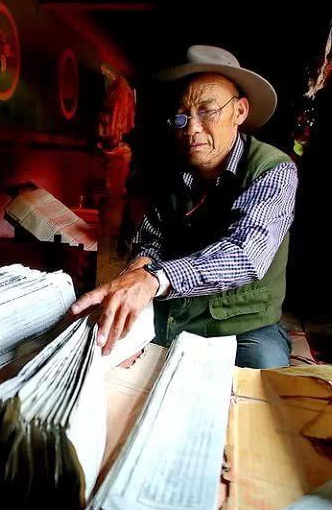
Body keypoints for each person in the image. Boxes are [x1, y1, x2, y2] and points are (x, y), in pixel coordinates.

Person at [70, 46, 298, 369]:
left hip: (243, 324)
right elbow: (153, 239)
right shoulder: (174, 169)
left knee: (264, 372)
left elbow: (245, 255)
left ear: (240, 111)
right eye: (183, 116)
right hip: (176, 313)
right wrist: (135, 275)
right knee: (106, 349)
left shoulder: (273, 170)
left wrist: (153, 279)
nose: (191, 129)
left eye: (207, 111)